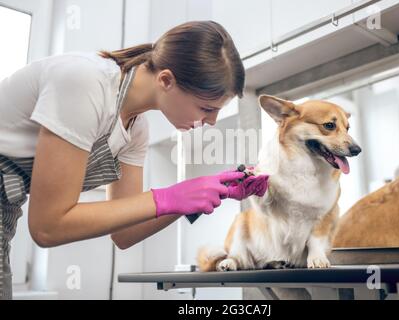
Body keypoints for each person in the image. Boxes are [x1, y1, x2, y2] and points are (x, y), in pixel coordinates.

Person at [0, 20, 269, 300]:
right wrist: (170, 196)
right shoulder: (85, 82)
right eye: (206, 108)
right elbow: (48, 226)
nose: (211, 122)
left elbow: (125, 234)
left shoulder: (136, 129)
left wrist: (196, 196)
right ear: (166, 80)